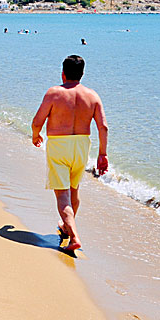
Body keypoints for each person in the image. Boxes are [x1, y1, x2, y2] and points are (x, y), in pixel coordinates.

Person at [31, 55, 108, 253]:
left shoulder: (54, 93)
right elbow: (103, 127)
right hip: (82, 145)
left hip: (59, 145)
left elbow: (38, 120)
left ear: (63, 72)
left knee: (62, 195)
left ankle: (74, 236)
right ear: (82, 74)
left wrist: (35, 134)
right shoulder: (92, 96)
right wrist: (102, 154)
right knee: (74, 189)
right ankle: (66, 227)